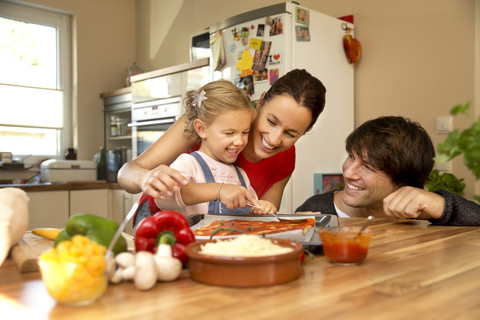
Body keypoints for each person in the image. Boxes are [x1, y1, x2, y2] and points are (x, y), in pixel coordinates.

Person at [117, 69, 326, 224]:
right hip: (161, 218)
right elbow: (127, 174)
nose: (273, 139)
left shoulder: (285, 157)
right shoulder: (213, 118)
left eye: (291, 134)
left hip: (216, 230)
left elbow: (261, 216)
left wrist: (291, 221)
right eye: (271, 121)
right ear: (261, 102)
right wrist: (145, 178)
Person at [295, 116, 480, 226]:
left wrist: (441, 205)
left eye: (367, 167)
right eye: (351, 156)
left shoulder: (417, 211)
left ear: (403, 183)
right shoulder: (316, 209)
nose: (348, 172)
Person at [152, 80, 272, 218]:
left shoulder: (241, 175)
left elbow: (252, 208)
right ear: (201, 129)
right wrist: (219, 190)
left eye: (245, 132)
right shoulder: (189, 163)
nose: (239, 141)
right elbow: (164, 198)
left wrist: (262, 206)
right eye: (229, 133)